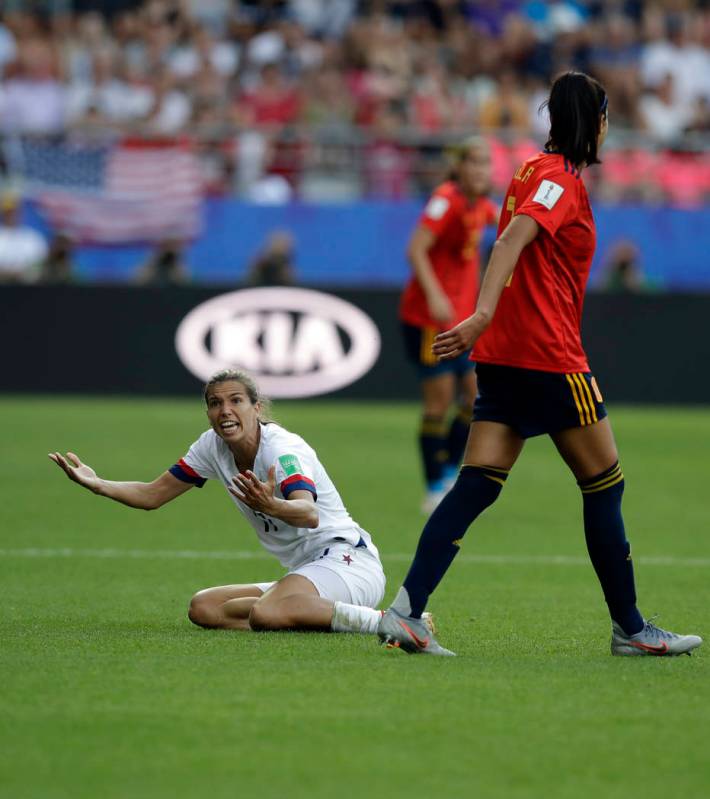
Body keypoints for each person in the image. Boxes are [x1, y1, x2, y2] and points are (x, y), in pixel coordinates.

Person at [378, 72, 702, 658]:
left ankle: (407, 611)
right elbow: (510, 242)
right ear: (593, 120)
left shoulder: (532, 169)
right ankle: (631, 628)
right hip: (549, 359)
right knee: (605, 486)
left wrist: (486, 326)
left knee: (475, 484)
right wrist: (479, 315)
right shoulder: (558, 182)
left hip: (504, 359)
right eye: (604, 115)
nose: (607, 126)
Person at [49, 368, 396, 637]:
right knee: (205, 608)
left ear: (256, 408)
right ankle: (292, 608)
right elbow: (152, 495)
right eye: (215, 403)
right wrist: (99, 485)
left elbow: (308, 513)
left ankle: (388, 622)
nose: (224, 410)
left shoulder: (282, 450)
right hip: (307, 572)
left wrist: (272, 505)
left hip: (347, 562)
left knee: (263, 614)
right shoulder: (210, 447)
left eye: (235, 401)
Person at [399, 136, 498, 513]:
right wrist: (436, 294)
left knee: (473, 400)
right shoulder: (446, 199)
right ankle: (433, 484)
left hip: (463, 321)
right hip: (429, 320)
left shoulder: (480, 206)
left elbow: (509, 221)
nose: (480, 170)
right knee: (438, 404)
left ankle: (450, 474)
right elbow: (415, 248)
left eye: (485, 163)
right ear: (458, 166)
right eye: (473, 162)